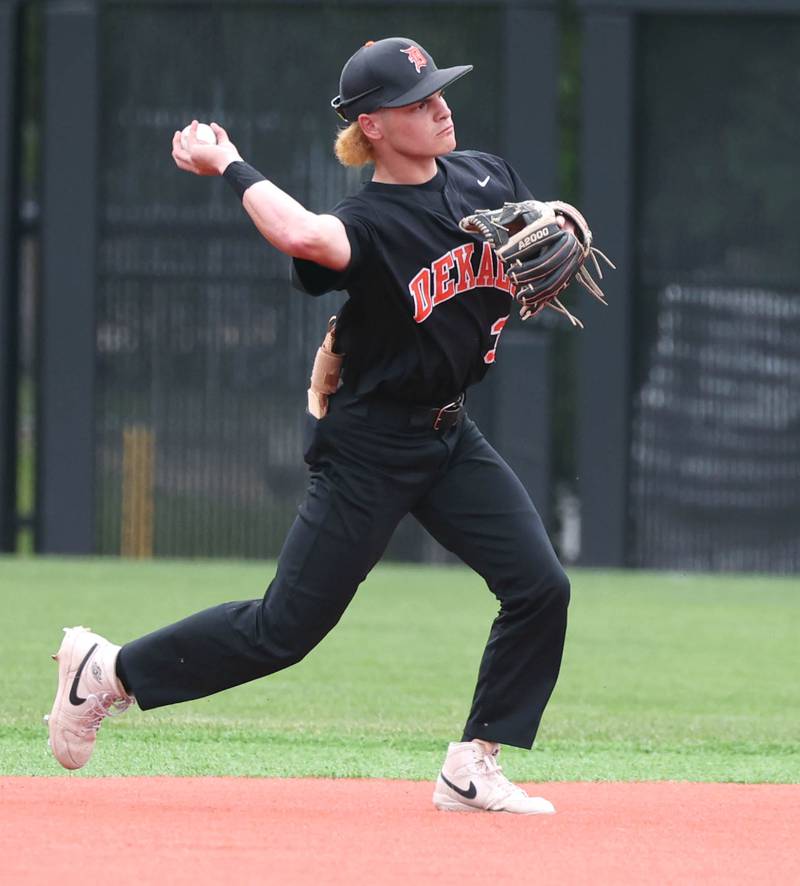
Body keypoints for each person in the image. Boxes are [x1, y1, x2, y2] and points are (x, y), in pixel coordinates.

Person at [46, 37, 570, 815]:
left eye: (439, 90)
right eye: (418, 99)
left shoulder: (484, 175)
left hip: (449, 433)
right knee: (282, 630)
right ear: (375, 126)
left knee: (539, 586)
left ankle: (473, 763)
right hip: (370, 445)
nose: (439, 104)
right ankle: (108, 671)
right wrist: (229, 164)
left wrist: (561, 219)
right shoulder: (371, 221)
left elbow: (538, 234)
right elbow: (302, 235)